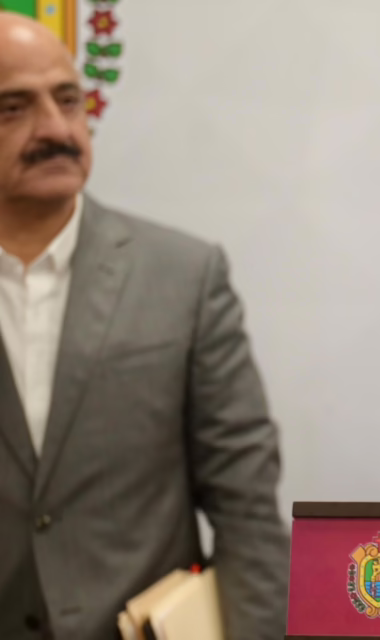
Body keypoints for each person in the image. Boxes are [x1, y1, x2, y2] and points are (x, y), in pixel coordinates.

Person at [0, 12, 288, 640]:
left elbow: (247, 512)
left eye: (68, 99)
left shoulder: (185, 277)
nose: (55, 128)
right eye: (12, 108)